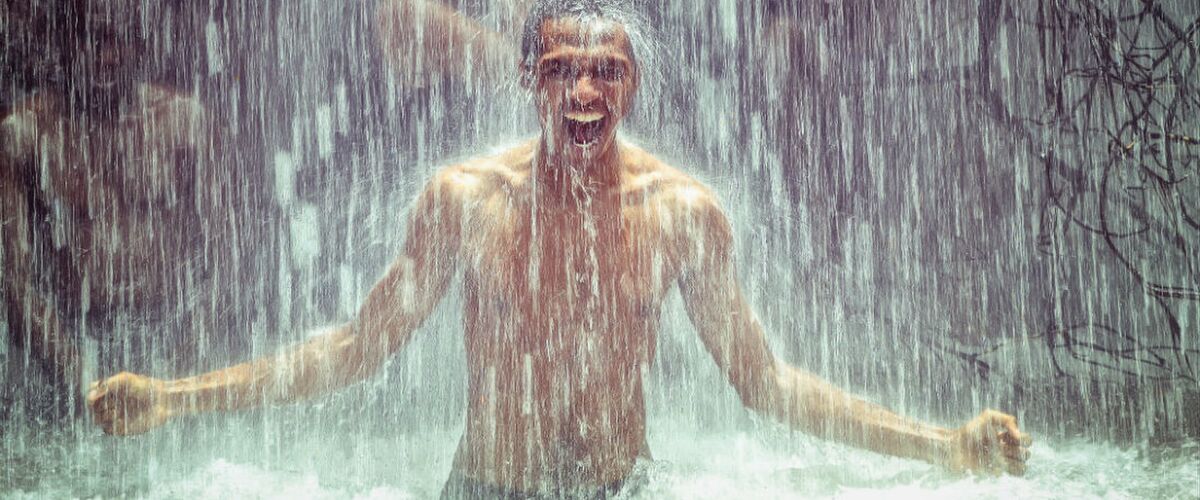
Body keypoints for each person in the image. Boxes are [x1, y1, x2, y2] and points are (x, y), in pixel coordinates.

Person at [86, 1, 1031, 496]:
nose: (586, 90)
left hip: (625, 493)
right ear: (531, 84)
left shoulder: (682, 213)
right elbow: (352, 349)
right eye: (562, 70)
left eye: (606, 71)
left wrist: (942, 445)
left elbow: (768, 382)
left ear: (633, 86)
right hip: (488, 494)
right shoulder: (466, 200)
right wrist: (176, 397)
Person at [1, 0, 262, 416]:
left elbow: (231, 264)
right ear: (63, 43)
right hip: (67, 340)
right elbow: (13, 282)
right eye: (90, 40)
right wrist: (84, 382)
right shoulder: (26, 136)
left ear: (140, 45)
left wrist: (171, 384)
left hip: (172, 331)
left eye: (116, 40)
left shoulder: (185, 124)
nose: (105, 57)